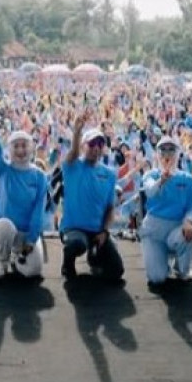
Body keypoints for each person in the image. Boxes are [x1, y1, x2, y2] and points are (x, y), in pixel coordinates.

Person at [0, 99, 48, 278]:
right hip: (1, 228)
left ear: (31, 148)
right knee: (6, 227)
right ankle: (3, 262)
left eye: (24, 145)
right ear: (10, 150)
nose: (20, 150)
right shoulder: (3, 170)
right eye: (16, 146)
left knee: (33, 271)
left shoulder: (40, 176)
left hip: (25, 234)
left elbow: (38, 211)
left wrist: (32, 239)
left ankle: (17, 257)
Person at [59, 110, 124, 281]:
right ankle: (68, 264)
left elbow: (110, 208)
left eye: (100, 144)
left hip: (97, 230)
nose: (96, 148)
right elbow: (72, 153)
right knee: (76, 244)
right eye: (91, 143)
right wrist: (77, 132)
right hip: (75, 229)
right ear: (83, 146)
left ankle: (94, 258)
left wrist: (104, 231)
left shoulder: (109, 174)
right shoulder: (72, 166)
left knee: (116, 271)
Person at [139, 136, 192, 287]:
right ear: (157, 154)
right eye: (163, 150)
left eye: (171, 149)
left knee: (190, 235)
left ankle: (181, 268)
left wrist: (189, 222)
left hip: (176, 228)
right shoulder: (150, 175)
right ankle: (162, 261)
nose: (167, 154)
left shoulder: (188, 179)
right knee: (157, 278)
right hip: (154, 230)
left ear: (178, 154)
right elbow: (150, 191)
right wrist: (162, 180)